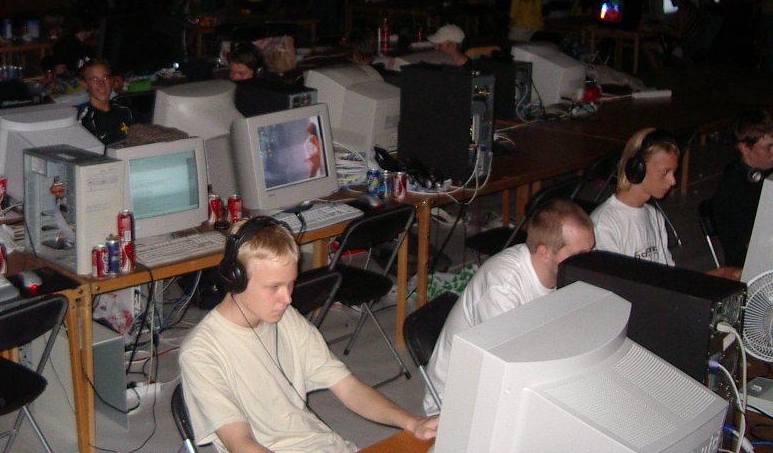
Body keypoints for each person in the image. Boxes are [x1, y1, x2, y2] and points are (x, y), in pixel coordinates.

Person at [180, 217, 438, 453]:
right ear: (235, 279)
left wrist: (412, 422)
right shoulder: (201, 352)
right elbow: (241, 444)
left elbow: (349, 389)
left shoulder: (286, 318)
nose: (287, 298)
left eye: (290, 283)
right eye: (274, 287)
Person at [422, 199, 595, 413]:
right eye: (580, 255)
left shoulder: (564, 272)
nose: (589, 263)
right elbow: (509, 368)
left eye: (591, 251)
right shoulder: (502, 287)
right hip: (456, 399)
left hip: (505, 382)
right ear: (544, 252)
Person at [591, 127, 679, 266]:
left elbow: (666, 270)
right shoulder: (605, 224)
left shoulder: (655, 216)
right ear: (638, 168)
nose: (673, 181)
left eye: (673, 172)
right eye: (664, 172)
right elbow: (612, 276)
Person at [712, 109, 773, 267]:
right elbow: (752, 246)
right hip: (751, 267)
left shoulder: (766, 173)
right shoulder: (736, 189)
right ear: (745, 148)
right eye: (768, 147)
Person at [77, 58, 132, 145]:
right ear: (85, 84)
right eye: (95, 79)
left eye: (105, 78)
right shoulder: (83, 122)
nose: (101, 84)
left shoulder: (127, 110)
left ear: (111, 81)